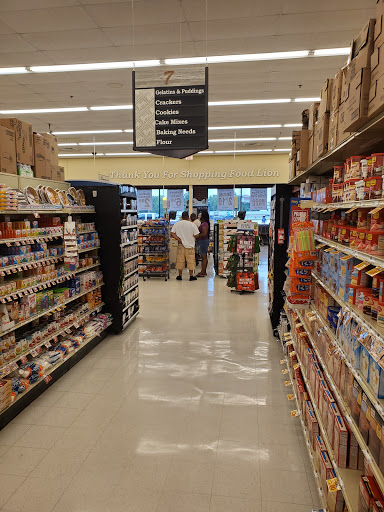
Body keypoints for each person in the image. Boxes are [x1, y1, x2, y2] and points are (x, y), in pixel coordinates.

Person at [171, 211, 200, 281]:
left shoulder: (177, 224)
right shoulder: (192, 225)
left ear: (182, 217)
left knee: (180, 260)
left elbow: (172, 233)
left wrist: (179, 239)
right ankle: (191, 276)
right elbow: (197, 235)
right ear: (188, 217)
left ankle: (180, 276)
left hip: (181, 245)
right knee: (191, 261)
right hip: (190, 245)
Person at [196, 210, 210, 277]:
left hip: (203, 241)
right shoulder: (204, 223)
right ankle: (203, 271)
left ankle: (203, 271)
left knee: (203, 256)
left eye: (200, 215)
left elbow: (204, 234)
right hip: (203, 241)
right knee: (203, 256)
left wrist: (197, 235)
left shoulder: (204, 224)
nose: (199, 216)